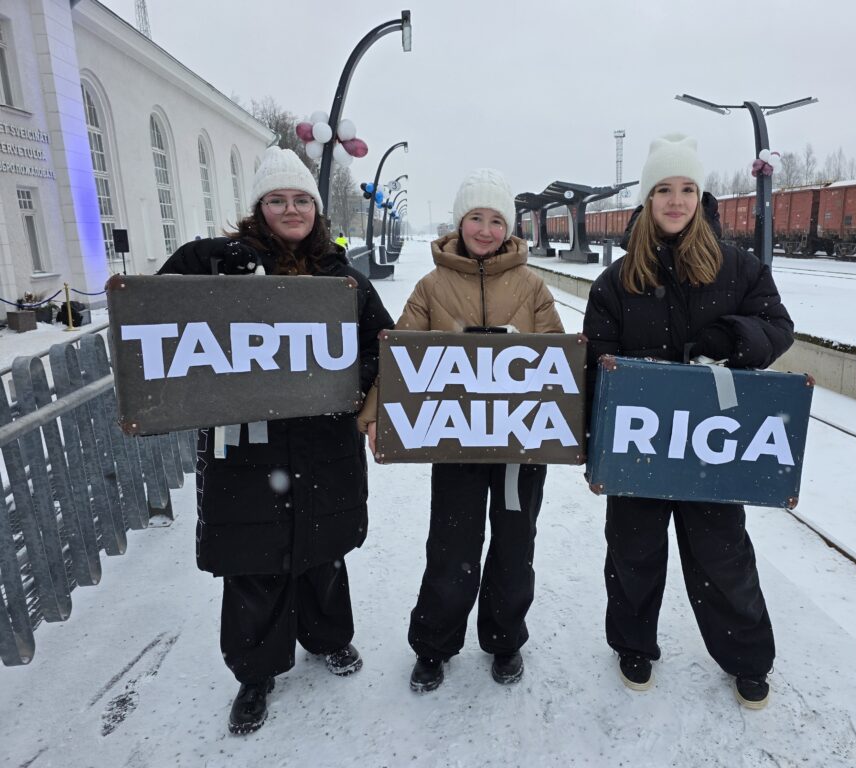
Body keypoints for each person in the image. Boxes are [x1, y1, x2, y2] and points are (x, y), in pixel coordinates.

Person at [158, 146, 393, 734]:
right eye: (278, 200)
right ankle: (255, 672)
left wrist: (349, 383)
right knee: (252, 559)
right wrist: (214, 262)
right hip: (247, 445)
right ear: (259, 208)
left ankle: (328, 637)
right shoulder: (219, 267)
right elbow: (156, 307)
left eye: (301, 200)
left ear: (316, 209)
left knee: (323, 550)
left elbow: (383, 344)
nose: (291, 210)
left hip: (323, 442)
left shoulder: (342, 277)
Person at [583, 133, 794, 709]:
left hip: (710, 444)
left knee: (723, 556)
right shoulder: (616, 281)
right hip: (640, 444)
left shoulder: (739, 269)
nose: (675, 201)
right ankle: (633, 645)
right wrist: (595, 444)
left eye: (686, 189)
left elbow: (778, 328)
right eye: (663, 189)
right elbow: (595, 364)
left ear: (700, 197)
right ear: (648, 199)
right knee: (633, 552)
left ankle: (747, 658)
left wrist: (735, 337)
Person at [358, 168, 564, 692]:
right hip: (454, 440)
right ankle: (435, 643)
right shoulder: (432, 287)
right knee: (452, 544)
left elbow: (560, 362)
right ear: (460, 222)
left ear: (508, 227)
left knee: (514, 545)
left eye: (496, 220)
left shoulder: (532, 286)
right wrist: (376, 411)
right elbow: (400, 353)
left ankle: (505, 638)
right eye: (476, 217)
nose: (486, 230)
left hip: (520, 443)